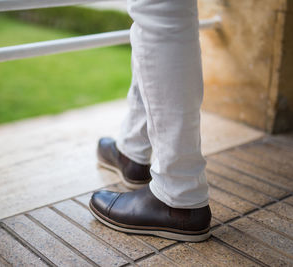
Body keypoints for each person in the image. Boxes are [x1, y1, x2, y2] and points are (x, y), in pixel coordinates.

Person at [89, 0, 211, 242]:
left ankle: (178, 195)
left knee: (160, 9)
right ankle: (133, 149)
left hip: (179, 199)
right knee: (163, 11)